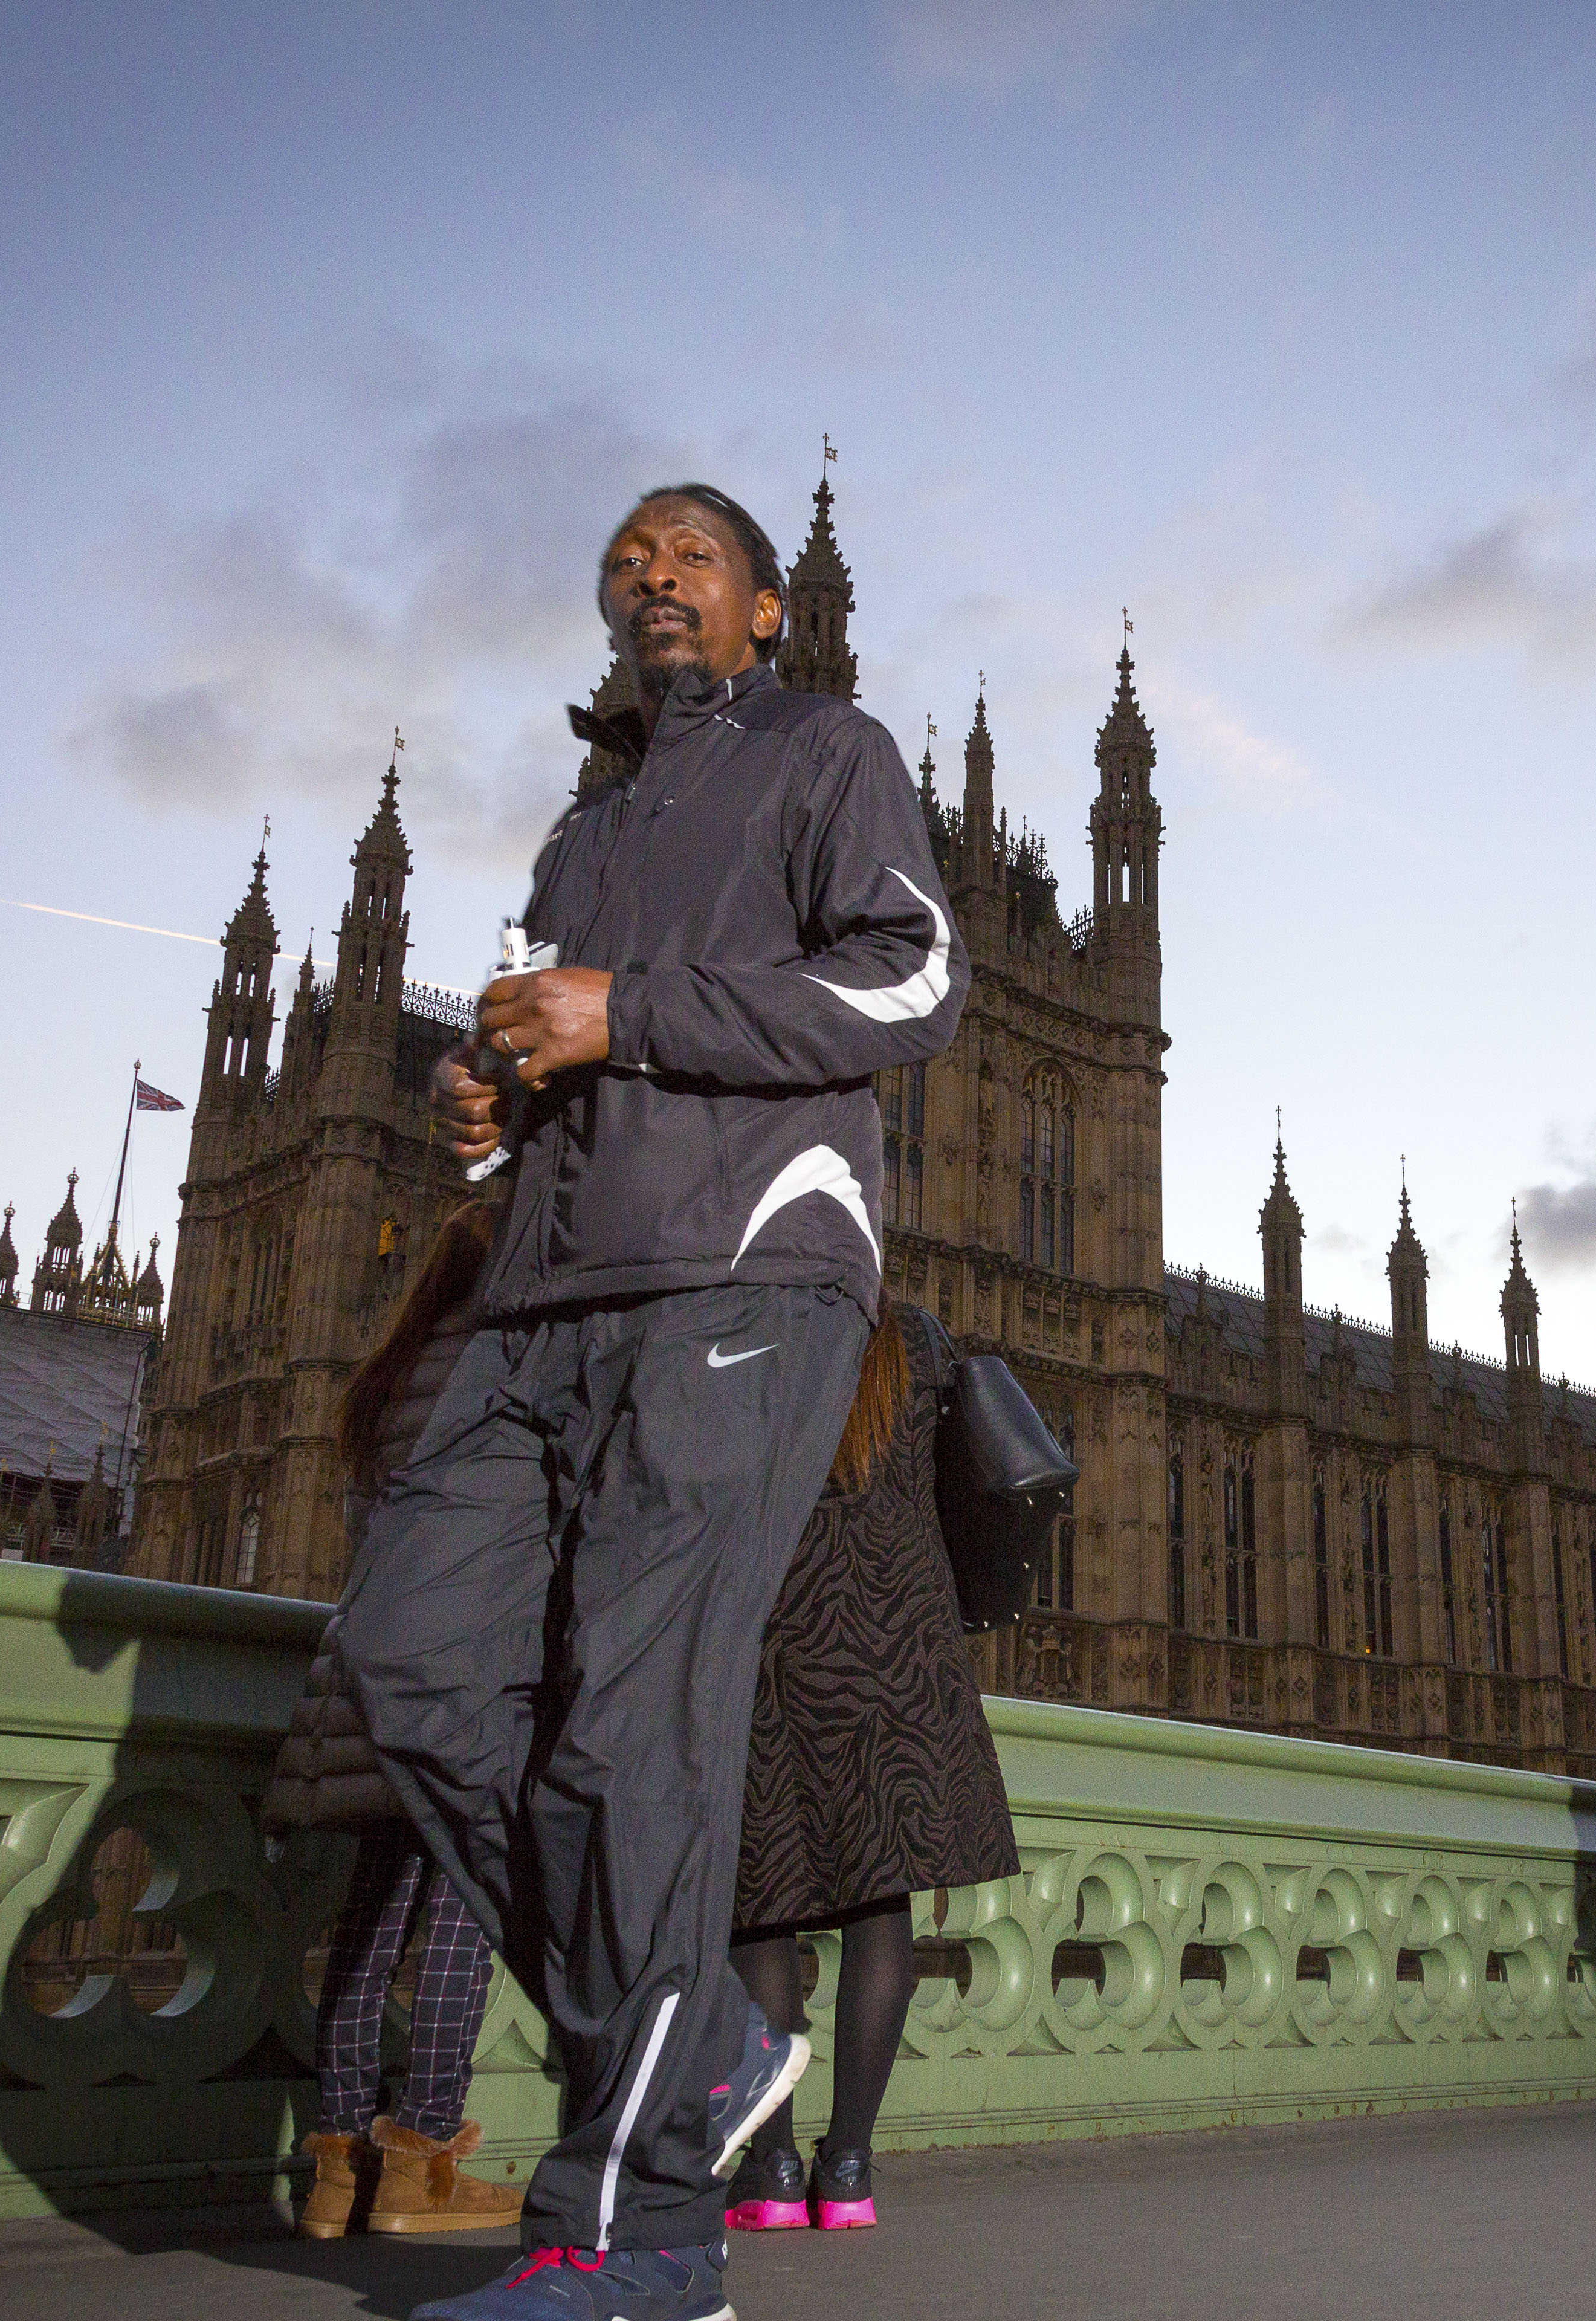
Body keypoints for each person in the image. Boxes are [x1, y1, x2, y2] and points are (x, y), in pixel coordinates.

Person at [340, 481, 968, 2321]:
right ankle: (689, 2047)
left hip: (747, 1270)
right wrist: (501, 1090)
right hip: (548, 1290)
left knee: (634, 1724)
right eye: (627, 554)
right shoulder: (586, 823)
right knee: (415, 1664)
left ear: (770, 609)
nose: (652, 571)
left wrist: (632, 1014)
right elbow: (569, 1026)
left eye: (693, 549)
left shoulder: (830, 753)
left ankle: (639, 2236)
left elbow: (914, 971)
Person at [722, 1301, 1019, 2232]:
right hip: (901, 1646)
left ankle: (771, 2166)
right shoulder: (920, 1341)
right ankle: (847, 2168)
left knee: (761, 1900)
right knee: (878, 1905)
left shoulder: (752, 1331)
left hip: (785, 1636)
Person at [265, 1203, 525, 2239]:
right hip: (465, 1668)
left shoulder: (383, 1379)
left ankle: (337, 2171)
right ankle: (418, 2160)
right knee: (465, 1913)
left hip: (363, 1666)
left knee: (369, 1922)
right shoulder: (507, 1368)